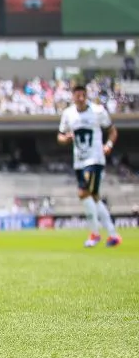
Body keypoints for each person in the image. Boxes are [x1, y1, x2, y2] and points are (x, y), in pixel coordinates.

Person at [57, 85, 122, 248]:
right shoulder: (68, 114)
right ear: (72, 97)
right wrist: (65, 139)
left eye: (82, 95)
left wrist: (108, 145)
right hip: (79, 160)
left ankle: (95, 233)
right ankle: (112, 235)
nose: (80, 98)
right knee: (92, 196)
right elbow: (60, 135)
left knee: (84, 192)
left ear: (86, 96)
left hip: (95, 159)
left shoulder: (98, 111)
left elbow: (113, 131)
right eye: (77, 95)